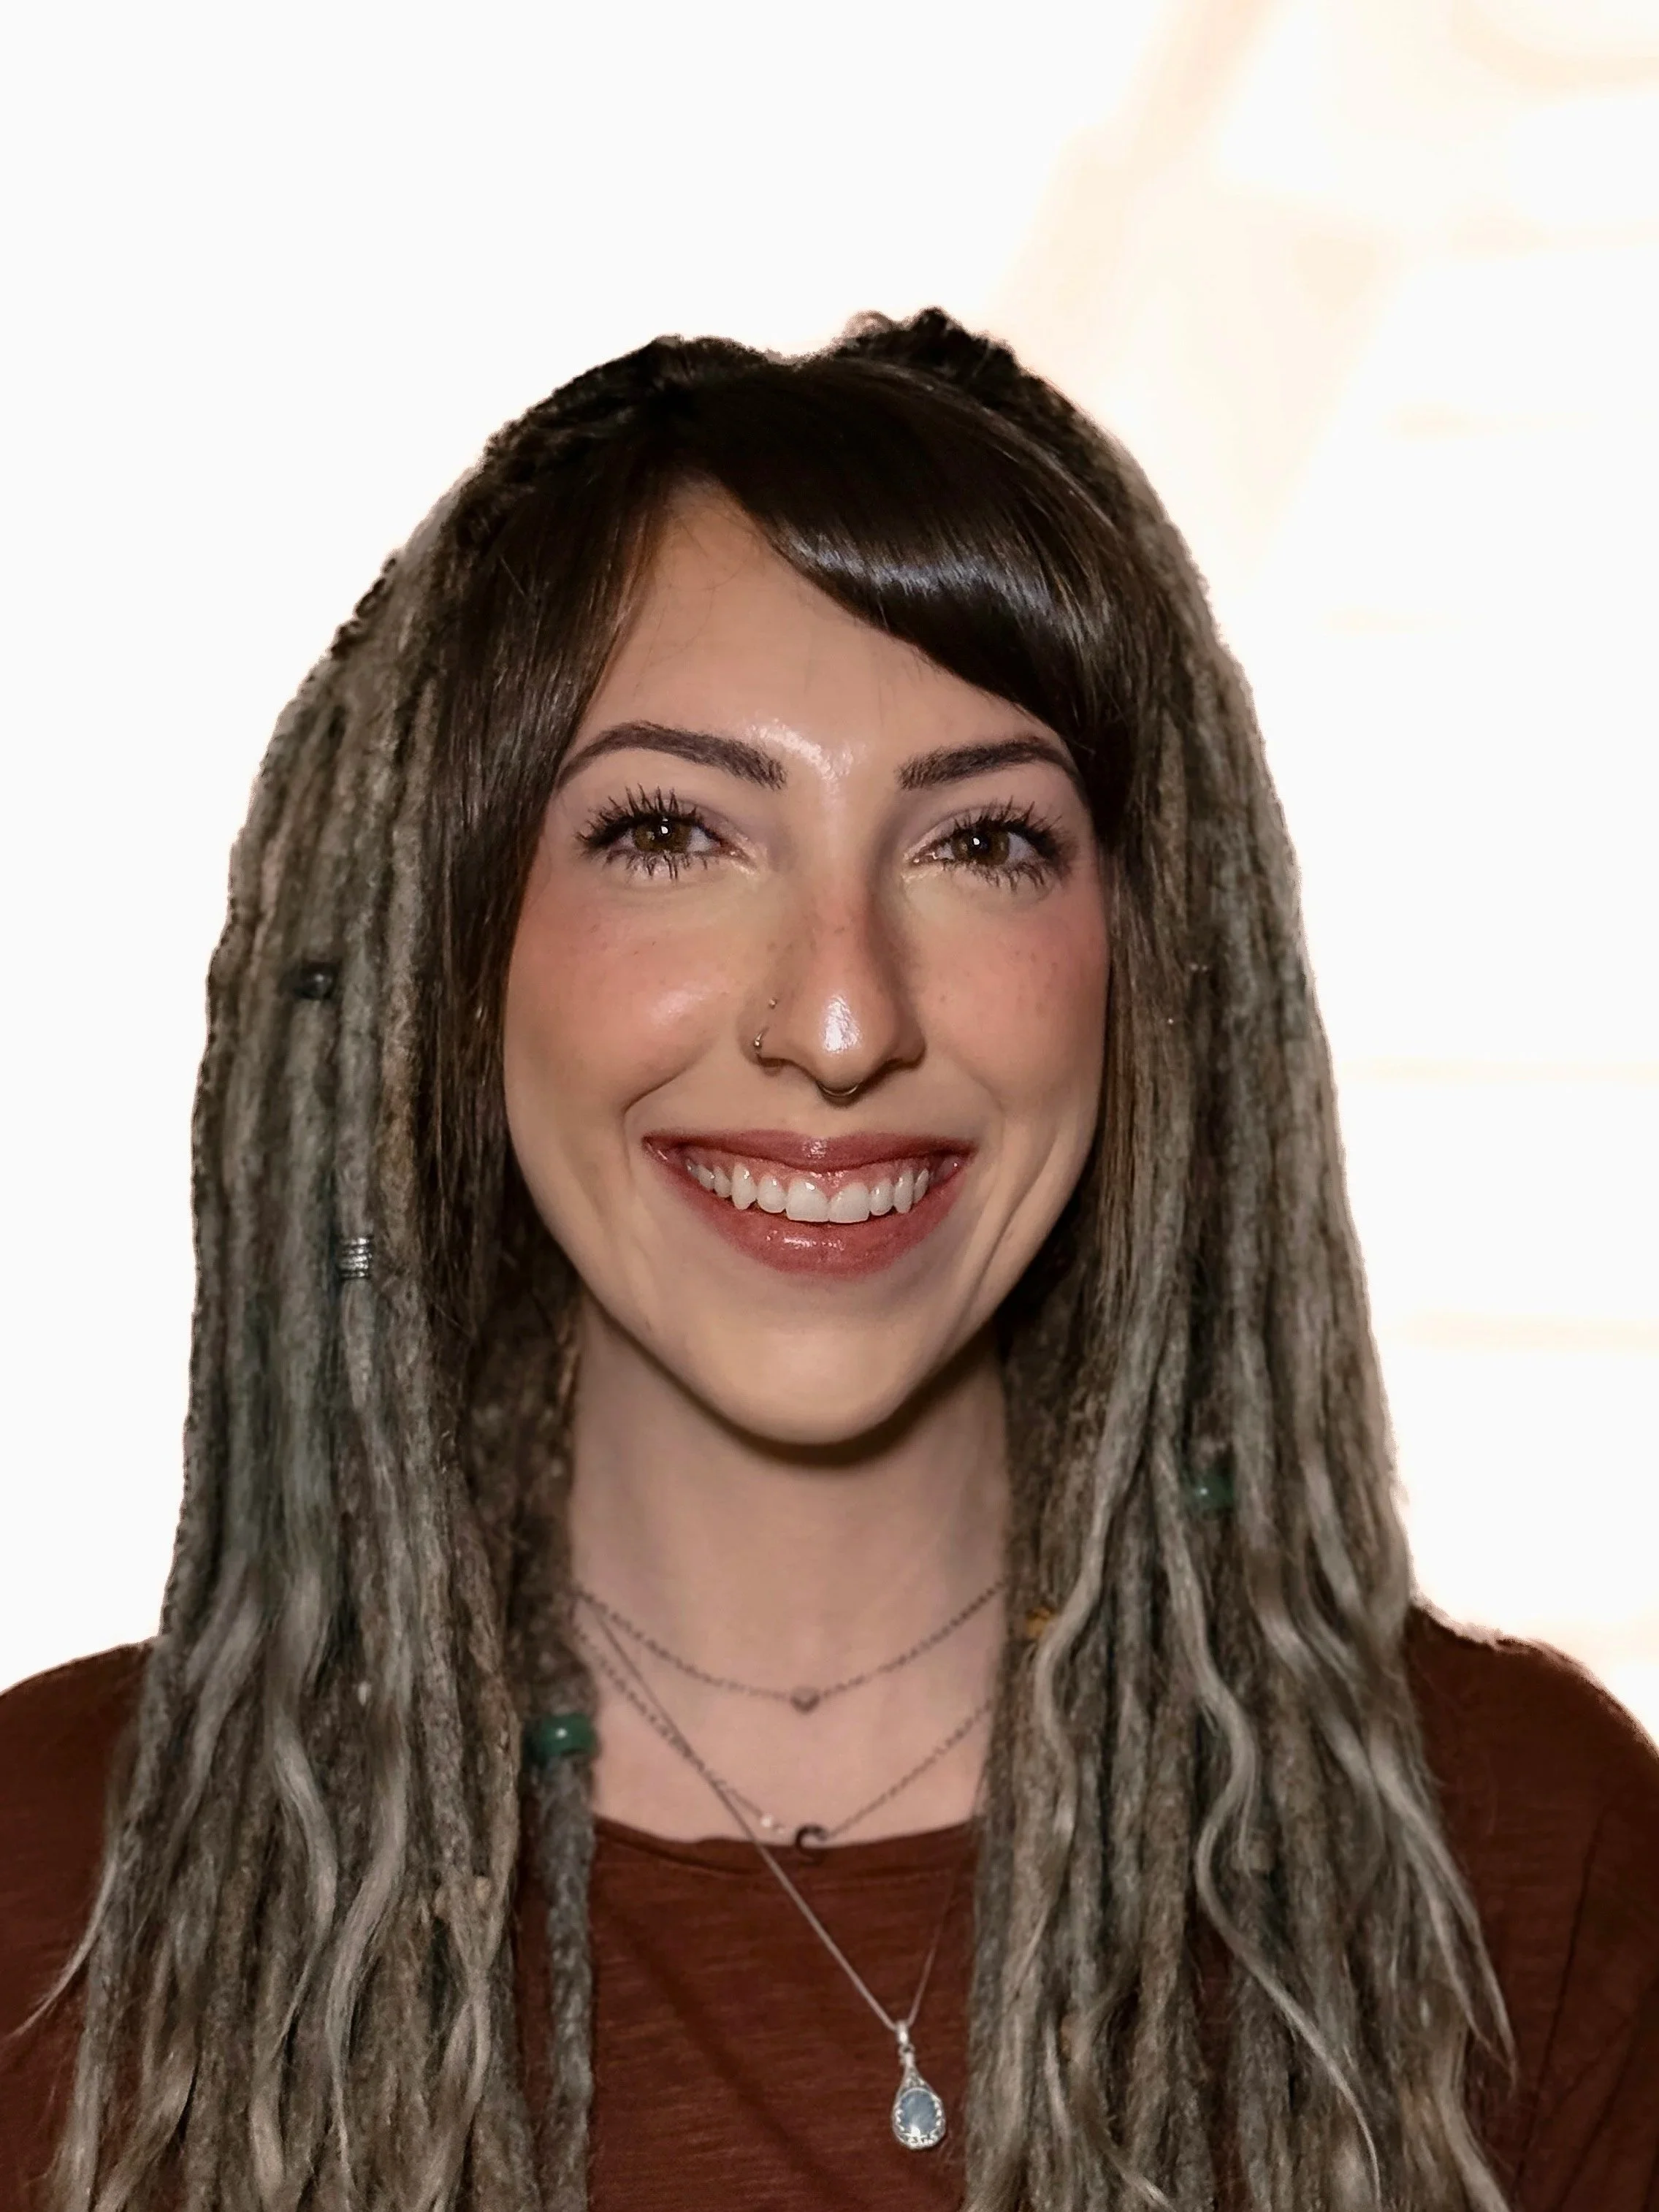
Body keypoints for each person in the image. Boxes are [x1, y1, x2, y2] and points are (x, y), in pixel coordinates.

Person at [1, 310, 1655, 2212]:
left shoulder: (1519, 1862)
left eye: (982, 844)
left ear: (1147, 960)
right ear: (451, 949)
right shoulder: (50, 1892)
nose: (845, 1016)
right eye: (670, 830)